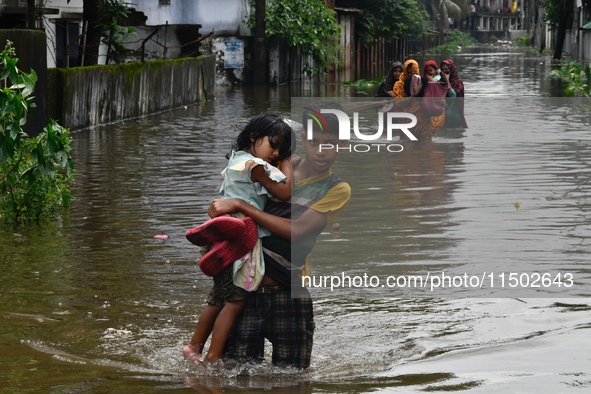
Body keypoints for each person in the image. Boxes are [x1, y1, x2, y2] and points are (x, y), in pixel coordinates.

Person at [206, 102, 351, 369]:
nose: (321, 151)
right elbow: (229, 198)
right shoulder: (270, 168)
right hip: (246, 289)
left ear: (342, 145)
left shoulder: (336, 188)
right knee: (232, 375)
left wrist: (241, 207)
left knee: (293, 378)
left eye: (330, 144)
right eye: (314, 141)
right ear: (304, 140)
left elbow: (295, 231)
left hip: (289, 290)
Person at [183, 113, 295, 365]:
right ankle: (213, 357)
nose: (276, 153)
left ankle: (194, 346)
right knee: (235, 301)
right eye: (274, 145)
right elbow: (286, 191)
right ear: (254, 137)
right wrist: (287, 161)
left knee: (217, 297)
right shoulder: (255, 166)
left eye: (281, 150)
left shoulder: (236, 160)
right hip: (241, 238)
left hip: (225, 235)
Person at [440, 59, 468, 129]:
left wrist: (447, 81)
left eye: (447, 69)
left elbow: (454, 97)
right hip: (442, 117)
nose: (444, 72)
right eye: (442, 69)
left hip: (455, 116)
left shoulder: (459, 83)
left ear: (452, 70)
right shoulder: (439, 83)